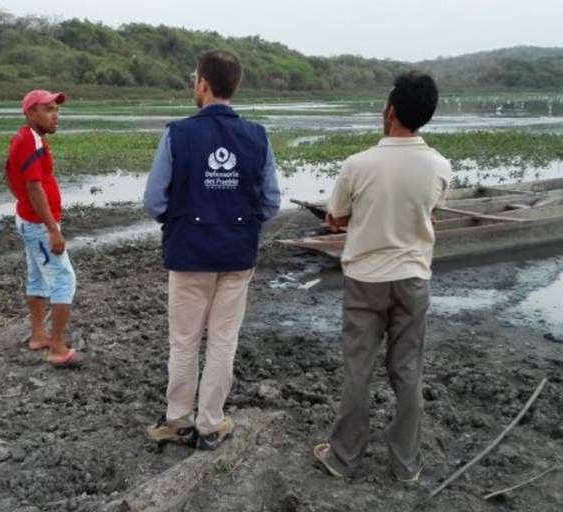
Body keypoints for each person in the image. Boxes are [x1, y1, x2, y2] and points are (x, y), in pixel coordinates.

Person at [313, 71, 451, 482]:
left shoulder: (358, 164)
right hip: (412, 278)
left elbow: (335, 217)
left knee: (359, 368)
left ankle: (344, 457)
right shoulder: (440, 166)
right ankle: (406, 464)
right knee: (408, 371)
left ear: (390, 111)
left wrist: (345, 221)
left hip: (366, 279)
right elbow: (430, 215)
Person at [143, 50, 281, 450]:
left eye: (194, 79)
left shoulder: (177, 133)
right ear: (232, 86)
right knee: (223, 340)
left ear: (202, 83)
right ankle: (210, 423)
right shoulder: (258, 136)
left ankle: (178, 420)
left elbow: (154, 201)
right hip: (237, 257)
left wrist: (183, 222)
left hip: (189, 256)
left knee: (184, 340)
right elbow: (271, 202)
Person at [4, 89, 82, 367]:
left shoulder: (26, 137)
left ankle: (39, 335)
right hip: (38, 225)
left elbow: (7, 173)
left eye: (56, 109)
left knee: (37, 276)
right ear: (30, 113)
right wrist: (52, 229)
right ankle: (58, 348)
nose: (55, 115)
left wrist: (23, 203)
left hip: (30, 220)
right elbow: (34, 186)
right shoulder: (30, 141)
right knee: (64, 279)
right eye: (48, 109)